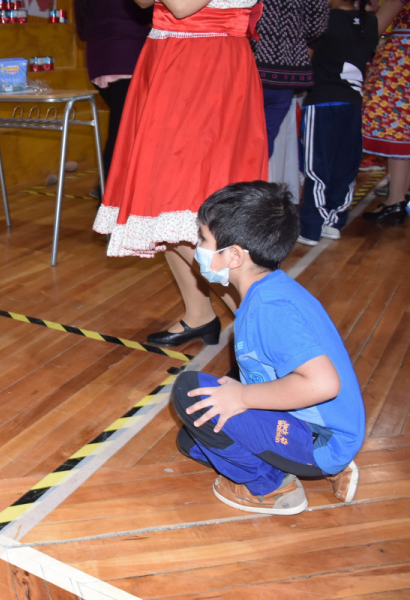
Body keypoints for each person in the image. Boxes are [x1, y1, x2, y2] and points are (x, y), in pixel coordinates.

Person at [173, 181, 364, 515]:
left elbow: (323, 384)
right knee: (192, 438)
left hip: (321, 438)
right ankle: (320, 464)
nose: (197, 245)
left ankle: (273, 487)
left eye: (202, 238)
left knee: (190, 393)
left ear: (234, 255)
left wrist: (243, 398)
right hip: (312, 426)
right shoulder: (269, 288)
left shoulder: (271, 310)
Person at [94, 0, 268, 348]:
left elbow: (182, 5)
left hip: (203, 64)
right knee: (161, 206)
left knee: (182, 203)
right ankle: (199, 314)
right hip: (171, 58)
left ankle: (259, 322)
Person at [297, 0, 379, 245]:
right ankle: (333, 220)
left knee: (316, 166)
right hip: (352, 102)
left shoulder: (323, 20)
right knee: (345, 165)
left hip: (321, 101)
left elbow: (305, 58)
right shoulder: (370, 22)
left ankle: (311, 226)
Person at [74, 0, 152, 198]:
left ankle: (107, 188)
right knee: (122, 132)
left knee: (124, 128)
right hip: (126, 58)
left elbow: (82, 30)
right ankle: (108, 193)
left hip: (99, 62)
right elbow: (145, 13)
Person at [251, 0, 329, 157]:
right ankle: (254, 179)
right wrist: (291, 36)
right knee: (265, 143)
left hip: (250, 65)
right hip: (285, 73)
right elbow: (317, 24)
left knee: (237, 137)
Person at [362, 0, 410, 223]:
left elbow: (375, 29)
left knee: (398, 131)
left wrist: (371, 12)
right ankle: (400, 195)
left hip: (402, 61)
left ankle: (396, 200)